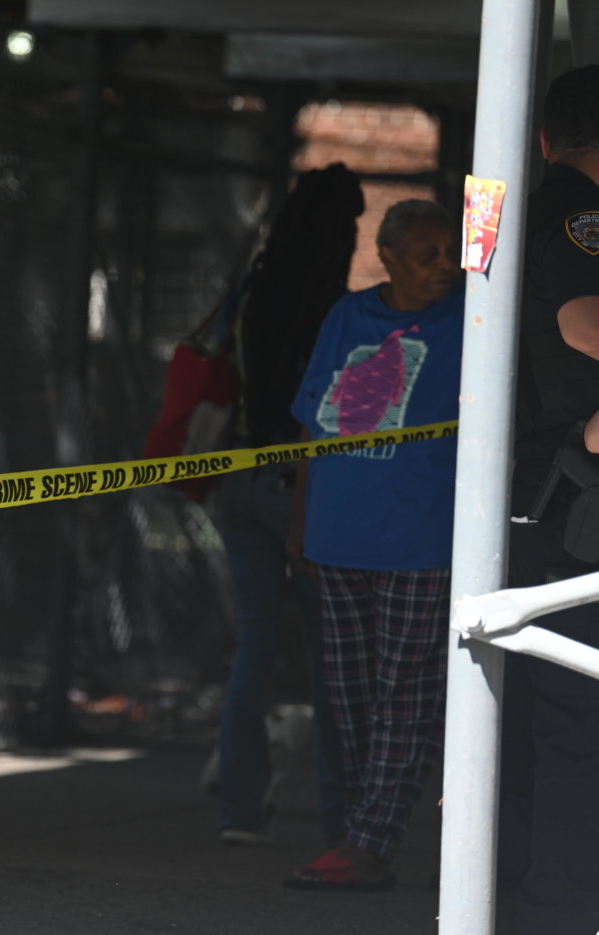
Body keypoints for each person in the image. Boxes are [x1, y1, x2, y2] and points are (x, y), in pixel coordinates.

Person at [497, 64, 599, 935]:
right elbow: (595, 328)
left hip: (542, 511)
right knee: (585, 740)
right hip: (579, 519)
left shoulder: (525, 215)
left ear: (547, 137)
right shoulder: (585, 217)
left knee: (539, 738)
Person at [283, 199, 463, 892]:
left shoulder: (471, 319)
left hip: (422, 540)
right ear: (386, 258)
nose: (444, 267)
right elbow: (311, 425)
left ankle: (368, 843)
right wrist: (301, 522)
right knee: (352, 697)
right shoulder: (347, 316)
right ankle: (366, 828)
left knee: (405, 694)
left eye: (450, 252)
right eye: (426, 255)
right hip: (338, 535)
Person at [208, 164, 361, 846]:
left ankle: (239, 811)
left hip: (236, 475)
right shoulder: (330, 309)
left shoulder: (253, 288)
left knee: (254, 646)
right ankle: (341, 819)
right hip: (296, 485)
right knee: (332, 655)